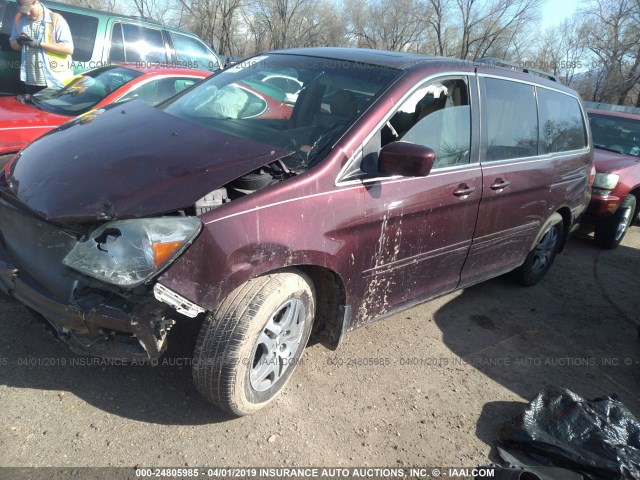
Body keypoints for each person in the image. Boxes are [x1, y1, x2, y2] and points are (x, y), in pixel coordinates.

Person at [9, 0, 74, 94]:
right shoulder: (19, 18)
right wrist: (20, 43)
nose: (26, 13)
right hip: (30, 80)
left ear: (36, 2)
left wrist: (39, 44)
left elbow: (68, 49)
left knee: (50, 109)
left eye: (29, 9)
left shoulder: (56, 19)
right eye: (23, 10)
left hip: (54, 81)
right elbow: (12, 43)